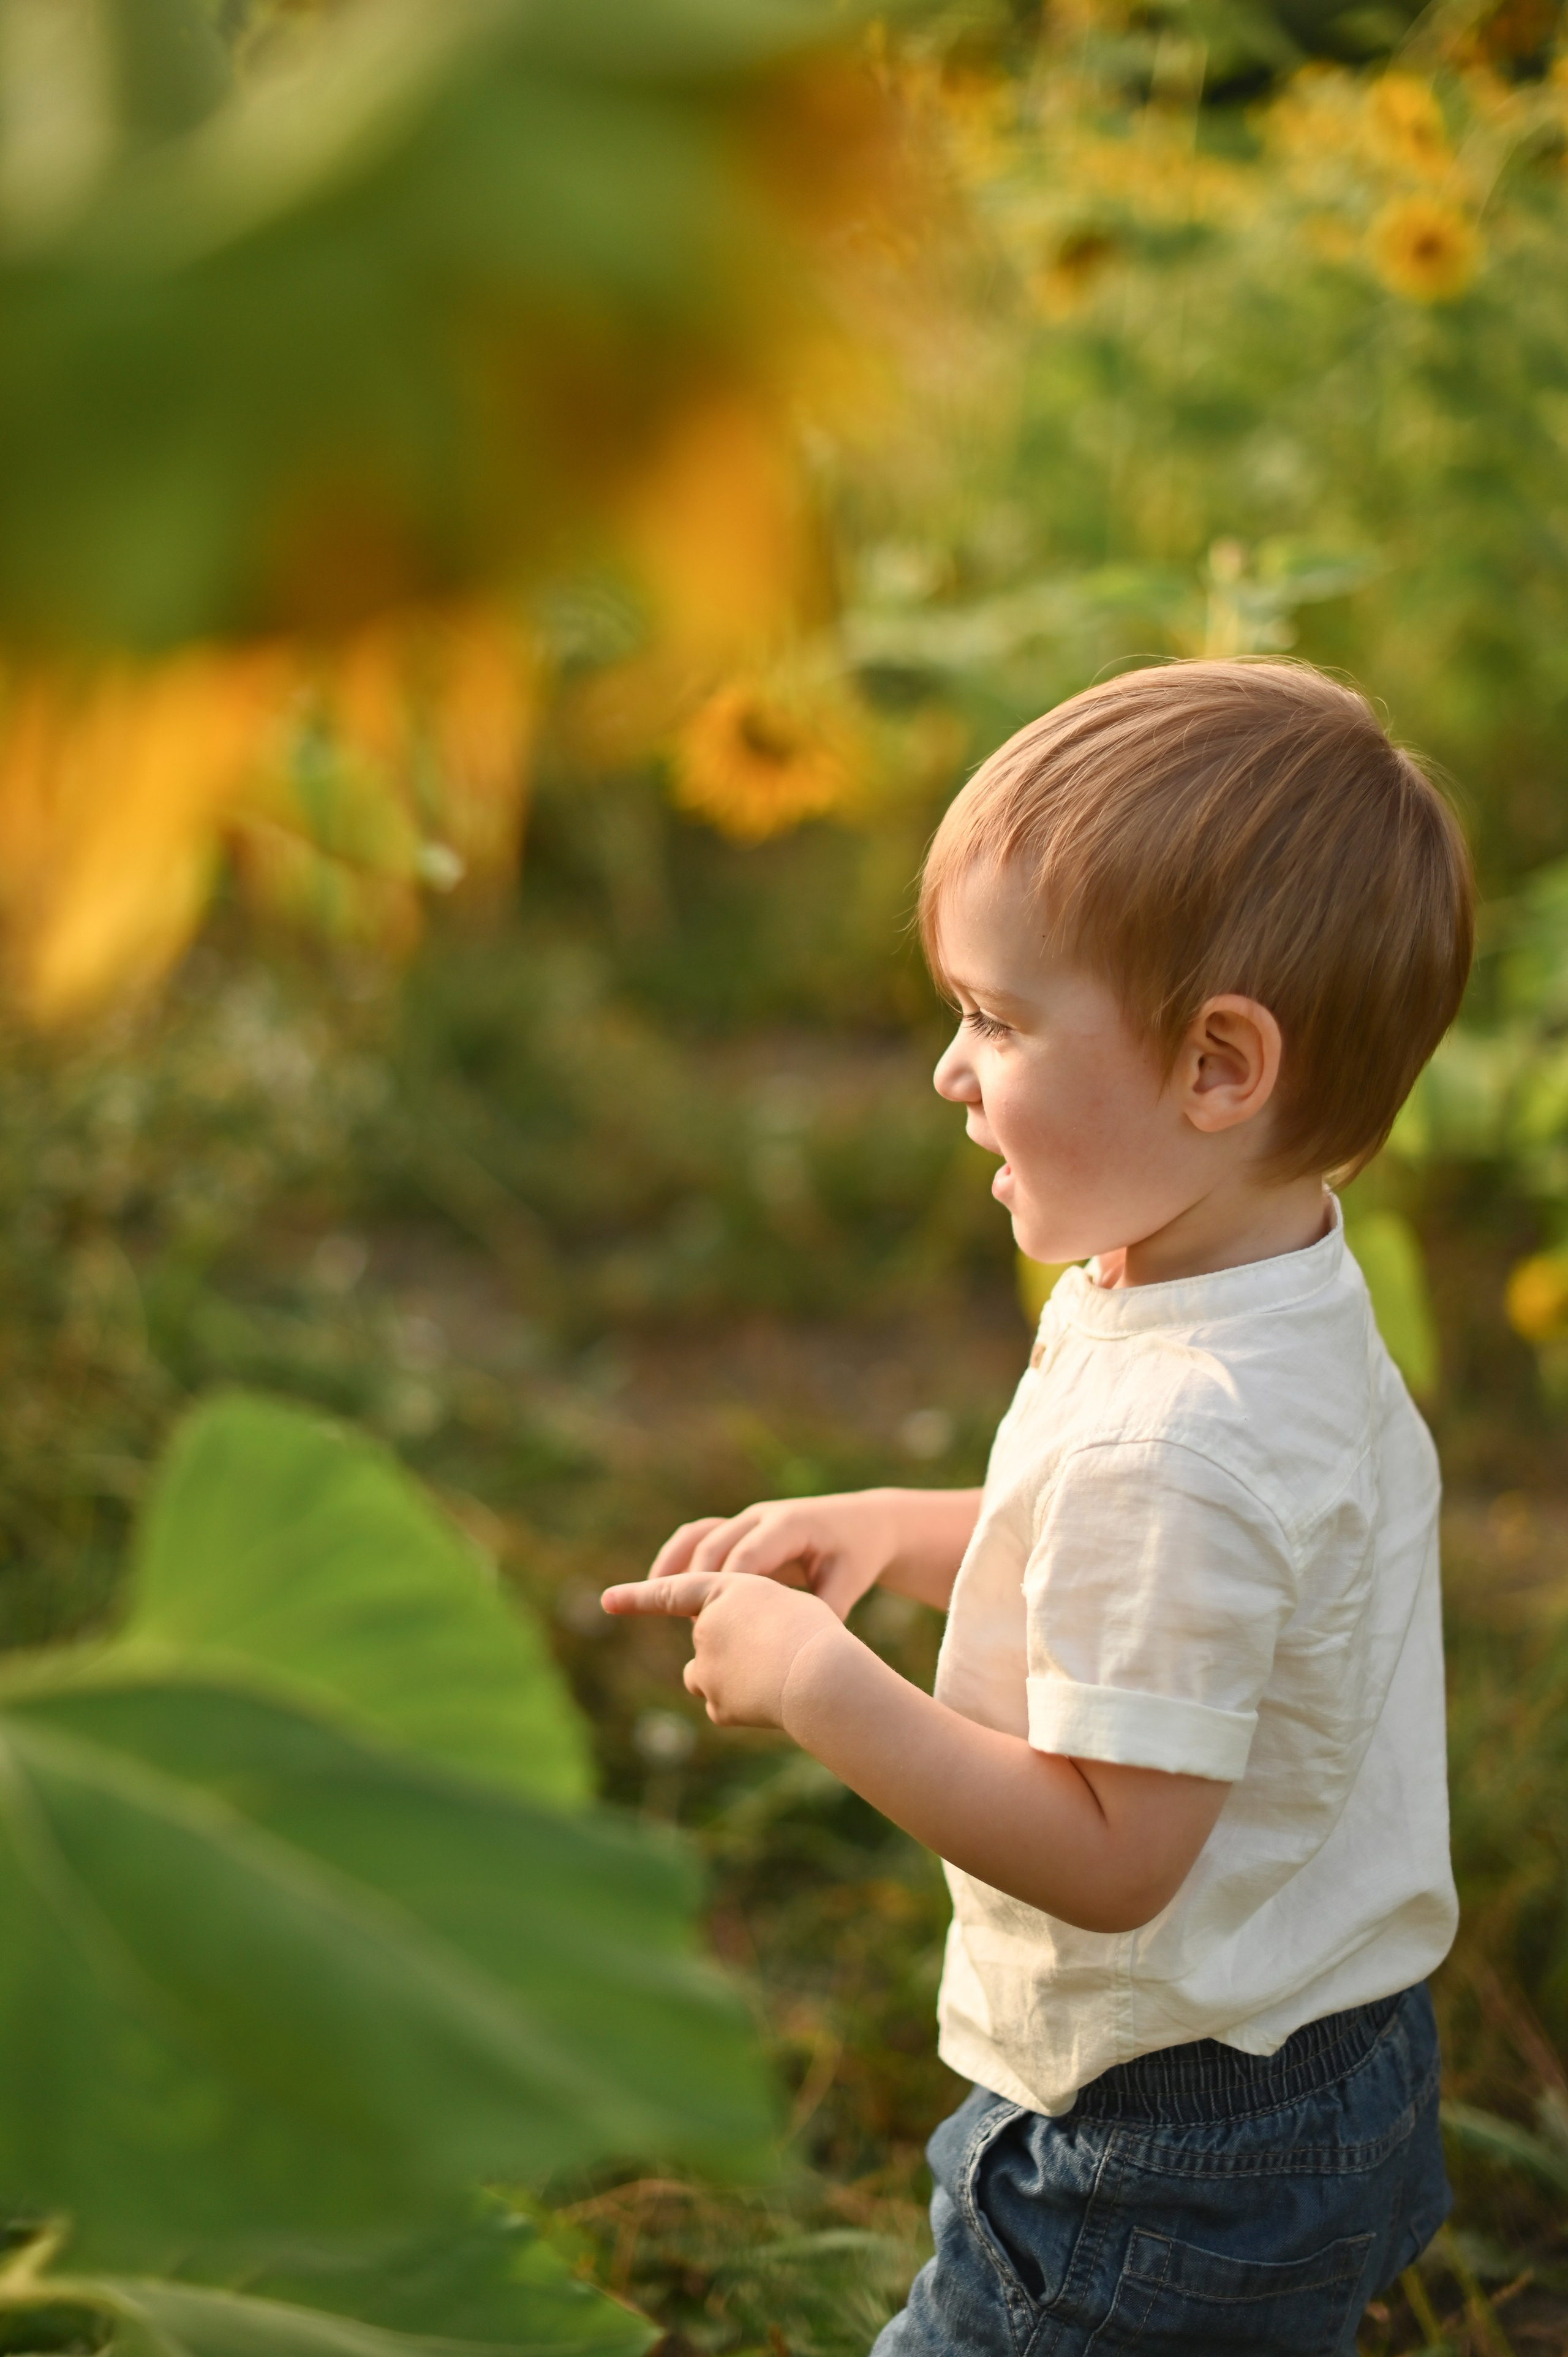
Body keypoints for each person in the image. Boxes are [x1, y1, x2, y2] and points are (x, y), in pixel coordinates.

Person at [602, 658, 1471, 2356]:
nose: (947, 1071)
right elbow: (1161, 1569)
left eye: (996, 1021)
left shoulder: (1185, 1441)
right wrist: (894, 1529)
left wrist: (824, 1687)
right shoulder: (1249, 1281)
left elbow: (1114, 1851)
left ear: (1220, 1065)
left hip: (1162, 2152)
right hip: (1330, 2050)